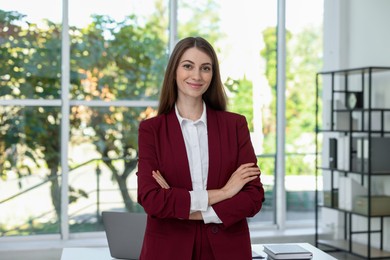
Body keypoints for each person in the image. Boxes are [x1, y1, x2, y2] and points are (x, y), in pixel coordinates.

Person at [137, 36, 264, 260]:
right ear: (174, 71)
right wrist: (225, 192)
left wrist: (184, 208)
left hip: (227, 251)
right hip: (168, 252)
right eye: (188, 66)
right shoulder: (151, 130)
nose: (197, 76)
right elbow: (151, 199)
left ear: (212, 75)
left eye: (205, 68)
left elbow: (253, 196)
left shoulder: (235, 125)